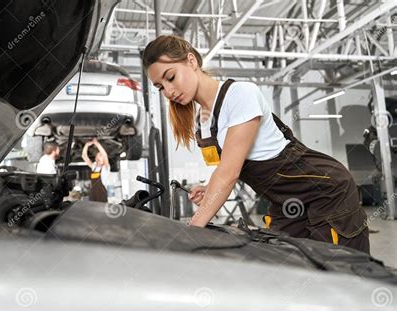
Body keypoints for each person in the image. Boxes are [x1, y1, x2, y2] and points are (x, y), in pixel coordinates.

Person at [142, 35, 370, 253]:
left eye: (170, 77)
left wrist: (191, 231)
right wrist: (209, 188)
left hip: (327, 192)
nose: (168, 91)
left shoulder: (241, 95)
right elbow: (226, 167)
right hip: (286, 203)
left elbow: (228, 174)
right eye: (160, 87)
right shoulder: (203, 121)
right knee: (287, 270)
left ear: (191, 61)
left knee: (340, 272)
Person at [82, 138, 110, 202]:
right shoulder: (94, 167)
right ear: (96, 157)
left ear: (103, 160)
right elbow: (84, 156)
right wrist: (86, 145)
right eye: (99, 154)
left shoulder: (105, 168)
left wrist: (97, 143)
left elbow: (105, 155)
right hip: (93, 196)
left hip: (101, 196)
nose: (99, 155)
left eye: (101, 155)